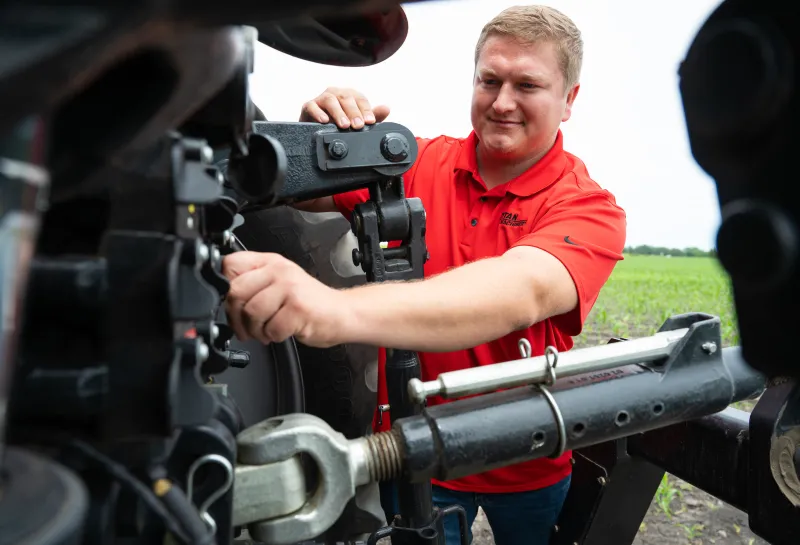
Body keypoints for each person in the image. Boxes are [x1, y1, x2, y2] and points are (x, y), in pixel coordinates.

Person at [222, 5, 627, 544]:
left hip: (528, 462)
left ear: (568, 100)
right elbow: (299, 195)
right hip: (416, 456)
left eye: (527, 84)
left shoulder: (588, 209)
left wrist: (329, 308)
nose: (502, 102)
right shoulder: (416, 165)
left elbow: (521, 292)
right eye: (490, 80)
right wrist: (310, 142)